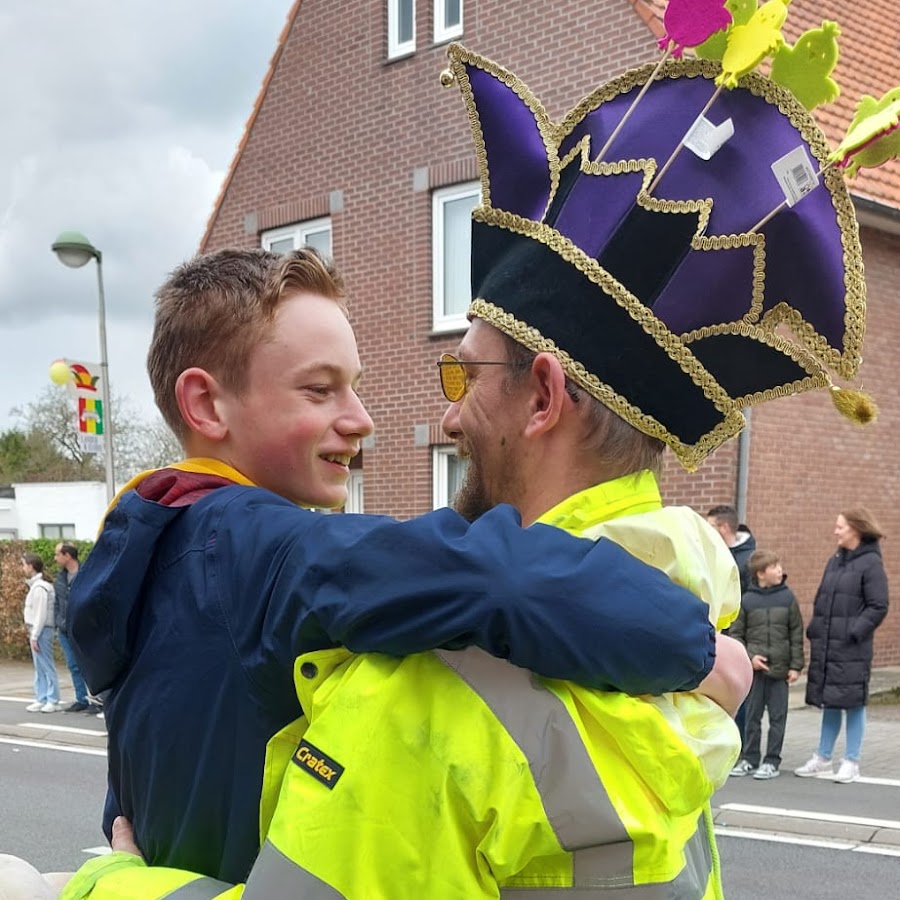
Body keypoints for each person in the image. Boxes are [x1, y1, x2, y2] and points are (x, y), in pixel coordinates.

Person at [62, 29, 881, 898]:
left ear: (543, 396)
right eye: (320, 389)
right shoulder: (685, 633)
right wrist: (693, 645)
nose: (436, 415)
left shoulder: (416, 690)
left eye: (464, 375)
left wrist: (113, 883)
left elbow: (488, 577)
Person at [54, 245, 723, 888]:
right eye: (320, 390)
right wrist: (695, 646)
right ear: (205, 404)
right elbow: (494, 579)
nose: (362, 419)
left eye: (354, 388)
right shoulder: (256, 544)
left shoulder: (148, 555)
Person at [795, 508, 889, 784]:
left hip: (852, 648)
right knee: (831, 701)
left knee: (854, 702)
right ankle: (823, 757)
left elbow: (878, 605)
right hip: (829, 645)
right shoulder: (835, 561)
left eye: (840, 526)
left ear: (856, 529)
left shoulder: (870, 564)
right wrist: (815, 629)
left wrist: (854, 631)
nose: (835, 531)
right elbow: (823, 599)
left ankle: (851, 761)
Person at [728, 549, 804, 780]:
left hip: (780, 671)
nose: (780, 570)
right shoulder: (747, 600)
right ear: (761, 574)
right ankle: (750, 758)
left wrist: (796, 666)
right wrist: (750, 658)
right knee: (752, 717)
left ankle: (772, 761)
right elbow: (736, 634)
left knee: (778, 718)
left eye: (779, 566)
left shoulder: (788, 598)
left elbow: (796, 633)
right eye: (774, 567)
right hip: (755, 673)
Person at [53, 543, 93, 713]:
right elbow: (57, 603)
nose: (55, 558)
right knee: (73, 665)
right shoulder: (60, 578)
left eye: (57, 554)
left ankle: (97, 700)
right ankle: (81, 699)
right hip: (64, 629)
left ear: (67, 555)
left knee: (90, 665)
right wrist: (58, 621)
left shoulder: (87, 574)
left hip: (83, 628)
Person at [22, 552, 60, 714]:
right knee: (40, 666)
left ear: (31, 566)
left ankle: (53, 699)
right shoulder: (37, 586)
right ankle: (42, 697)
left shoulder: (40, 588)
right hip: (38, 630)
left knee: (46, 665)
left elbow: (41, 614)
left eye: (24, 565)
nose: (23, 568)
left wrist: (35, 635)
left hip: (42, 630)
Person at [706, 505, 757, 594]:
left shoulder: (750, 560)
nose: (706, 530)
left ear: (724, 527)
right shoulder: (708, 553)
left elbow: (752, 593)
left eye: (711, 526)